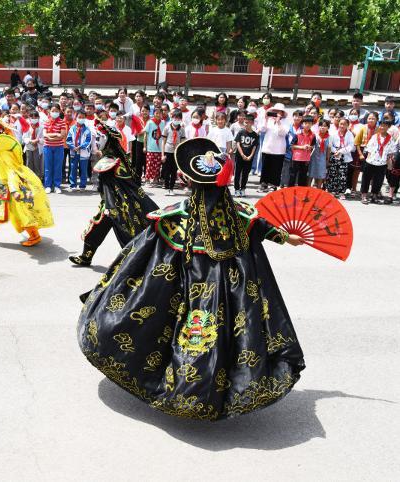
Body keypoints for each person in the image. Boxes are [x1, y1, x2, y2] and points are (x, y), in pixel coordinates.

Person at [76, 137, 306, 421]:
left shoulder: (174, 218)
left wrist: (114, 282)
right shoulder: (240, 215)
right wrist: (287, 237)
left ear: (190, 183)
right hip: (229, 290)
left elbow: (138, 257)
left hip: (185, 287)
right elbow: (261, 227)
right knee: (229, 335)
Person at [69, 119, 158, 267]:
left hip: (119, 204)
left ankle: (138, 261)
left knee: (128, 232)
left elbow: (116, 186)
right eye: (96, 138)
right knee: (96, 228)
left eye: (100, 138)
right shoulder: (114, 158)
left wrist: (110, 206)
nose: (97, 141)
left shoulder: (111, 161)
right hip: (111, 203)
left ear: (108, 140)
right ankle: (86, 256)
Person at [0, 114, 54, 247]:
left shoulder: (4, 143)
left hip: (11, 183)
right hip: (3, 182)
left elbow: (11, 169)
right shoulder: (4, 143)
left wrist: (14, 189)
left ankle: (34, 235)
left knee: (20, 210)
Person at [361, 119, 396, 204]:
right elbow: (368, 148)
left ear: (388, 127)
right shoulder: (375, 136)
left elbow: (391, 152)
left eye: (385, 125)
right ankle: (364, 196)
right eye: (381, 125)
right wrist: (368, 158)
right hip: (370, 161)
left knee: (378, 180)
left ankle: (374, 195)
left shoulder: (390, 139)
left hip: (382, 163)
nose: (382, 127)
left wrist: (390, 161)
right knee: (366, 179)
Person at [258, 103, 288, 192]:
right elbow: (262, 129)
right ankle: (264, 184)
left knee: (276, 168)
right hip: (267, 147)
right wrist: (266, 119)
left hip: (279, 149)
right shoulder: (269, 120)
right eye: (275, 111)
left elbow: (282, 133)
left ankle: (274, 184)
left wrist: (278, 122)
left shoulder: (285, 122)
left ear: (282, 113)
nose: (276, 113)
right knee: (265, 167)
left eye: (279, 112)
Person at [325, 118, 355, 199]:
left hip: (344, 156)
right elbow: (330, 145)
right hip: (334, 155)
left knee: (342, 175)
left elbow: (351, 146)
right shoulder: (334, 133)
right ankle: (332, 190)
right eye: (340, 124)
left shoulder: (350, 134)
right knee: (332, 174)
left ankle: (341, 192)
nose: (342, 126)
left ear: (347, 125)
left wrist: (341, 151)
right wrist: (336, 152)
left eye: (344, 124)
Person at [233, 113, 259, 197]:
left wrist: (250, 156)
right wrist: (242, 154)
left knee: (245, 174)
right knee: (237, 173)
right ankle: (236, 189)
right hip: (239, 156)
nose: (246, 124)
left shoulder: (255, 135)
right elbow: (238, 144)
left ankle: (243, 188)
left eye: (248, 122)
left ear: (252, 123)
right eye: (245, 122)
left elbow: (254, 146)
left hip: (249, 158)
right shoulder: (241, 132)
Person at [160, 109, 185, 195]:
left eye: (178, 118)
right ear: (172, 117)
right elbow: (163, 141)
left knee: (174, 171)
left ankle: (172, 188)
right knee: (166, 170)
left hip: (176, 152)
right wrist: (162, 154)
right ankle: (167, 188)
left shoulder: (181, 129)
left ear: (181, 119)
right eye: (175, 118)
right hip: (168, 151)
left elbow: (182, 142)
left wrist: (181, 154)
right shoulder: (167, 127)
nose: (176, 120)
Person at [42, 104, 67, 193]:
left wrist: (50, 136)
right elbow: (44, 134)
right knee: (48, 167)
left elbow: (62, 135)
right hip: (47, 147)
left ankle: (57, 186)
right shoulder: (46, 121)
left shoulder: (62, 122)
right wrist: (56, 134)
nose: (54, 112)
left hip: (59, 147)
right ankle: (48, 185)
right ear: (49, 111)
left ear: (59, 111)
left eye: (56, 111)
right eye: (53, 111)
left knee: (58, 166)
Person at [66, 110, 92, 191]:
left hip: (83, 152)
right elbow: (68, 139)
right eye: (79, 117)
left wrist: (80, 146)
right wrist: (73, 147)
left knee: (83, 169)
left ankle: (82, 185)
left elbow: (88, 141)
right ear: (76, 117)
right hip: (74, 151)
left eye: (83, 117)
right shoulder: (72, 128)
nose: (81, 119)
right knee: (73, 168)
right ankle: (73, 184)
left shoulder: (87, 129)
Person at [288, 115, 315, 187]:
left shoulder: (313, 135)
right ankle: (290, 191)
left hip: (306, 159)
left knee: (303, 176)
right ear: (302, 124)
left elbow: (313, 146)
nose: (307, 125)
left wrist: (310, 147)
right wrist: (302, 147)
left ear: (312, 124)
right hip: (296, 158)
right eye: (305, 123)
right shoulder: (297, 134)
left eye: (309, 123)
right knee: (292, 175)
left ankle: (301, 192)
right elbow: (292, 146)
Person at [144, 107, 164, 185]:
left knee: (158, 165)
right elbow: (146, 135)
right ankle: (148, 179)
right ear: (154, 113)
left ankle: (155, 178)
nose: (158, 115)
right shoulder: (150, 122)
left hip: (159, 148)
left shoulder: (163, 123)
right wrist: (145, 146)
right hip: (151, 147)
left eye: (160, 113)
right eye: (156, 113)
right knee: (150, 164)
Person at [308, 119, 331, 189]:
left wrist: (327, 160)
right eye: (321, 125)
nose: (322, 127)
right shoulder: (314, 135)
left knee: (321, 175)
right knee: (310, 174)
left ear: (328, 128)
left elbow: (328, 149)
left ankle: (319, 190)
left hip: (322, 158)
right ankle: (307, 189)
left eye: (325, 126)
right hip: (313, 157)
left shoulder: (329, 137)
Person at [22, 110, 43, 179]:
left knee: (37, 163)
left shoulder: (41, 126)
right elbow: (24, 137)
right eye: (32, 117)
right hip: (29, 147)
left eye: (35, 117)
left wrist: (38, 140)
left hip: (37, 147)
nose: (34, 119)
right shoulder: (27, 125)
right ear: (29, 117)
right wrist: (31, 141)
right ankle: (29, 179)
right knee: (29, 163)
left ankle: (38, 178)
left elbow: (43, 138)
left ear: (38, 117)